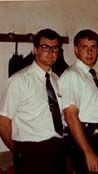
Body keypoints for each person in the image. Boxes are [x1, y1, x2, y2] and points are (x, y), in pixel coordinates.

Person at [0, 28, 66, 174]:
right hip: (30, 151)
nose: (51, 52)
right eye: (45, 47)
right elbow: (3, 122)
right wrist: (18, 150)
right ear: (35, 50)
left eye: (55, 48)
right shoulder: (19, 80)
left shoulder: (57, 80)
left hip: (58, 148)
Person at [59, 29, 98, 174]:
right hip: (83, 140)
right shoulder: (72, 76)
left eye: (93, 48)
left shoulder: (95, 76)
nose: (89, 52)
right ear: (76, 50)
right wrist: (88, 152)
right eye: (84, 47)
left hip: (97, 137)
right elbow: (70, 116)